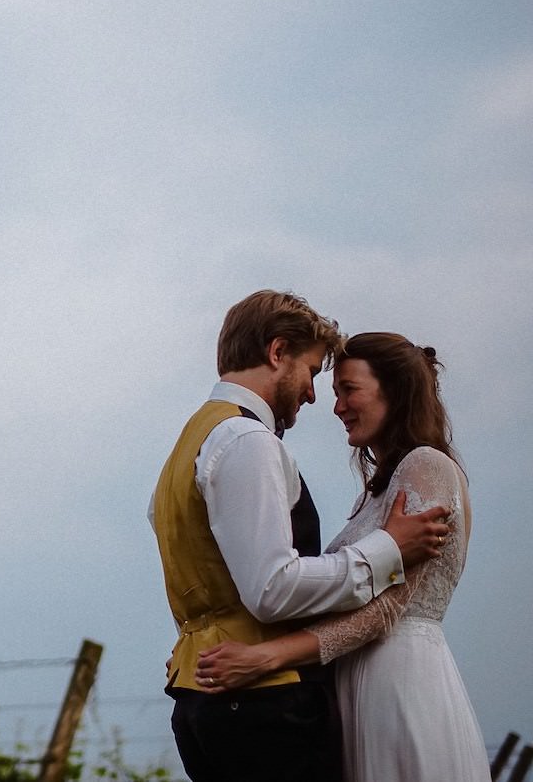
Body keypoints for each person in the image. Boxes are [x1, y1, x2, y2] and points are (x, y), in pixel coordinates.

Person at [149, 291, 450, 782]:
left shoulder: (191, 442)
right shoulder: (247, 441)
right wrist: (387, 549)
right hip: (261, 702)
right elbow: (272, 588)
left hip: (204, 696)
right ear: (276, 353)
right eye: (311, 372)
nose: (313, 395)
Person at [195, 333, 490, 781]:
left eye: (349, 390)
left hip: (400, 684)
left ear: (395, 390)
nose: (336, 407)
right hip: (355, 682)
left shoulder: (427, 466)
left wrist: (269, 657)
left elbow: (387, 608)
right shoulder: (374, 495)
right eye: (335, 393)